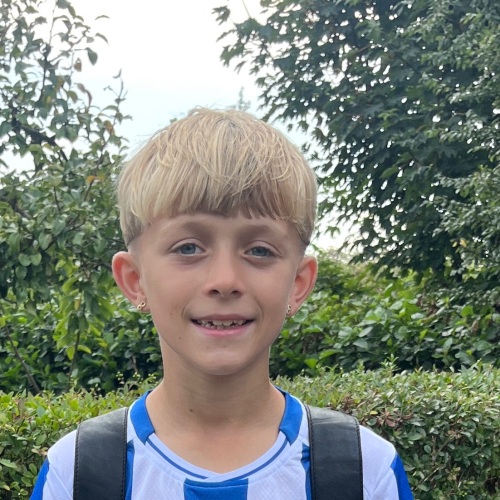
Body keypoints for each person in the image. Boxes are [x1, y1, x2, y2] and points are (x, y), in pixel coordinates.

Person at [31, 108, 413, 499]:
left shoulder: (367, 471)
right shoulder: (74, 473)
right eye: (188, 248)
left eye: (259, 250)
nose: (225, 281)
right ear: (135, 280)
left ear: (298, 284)